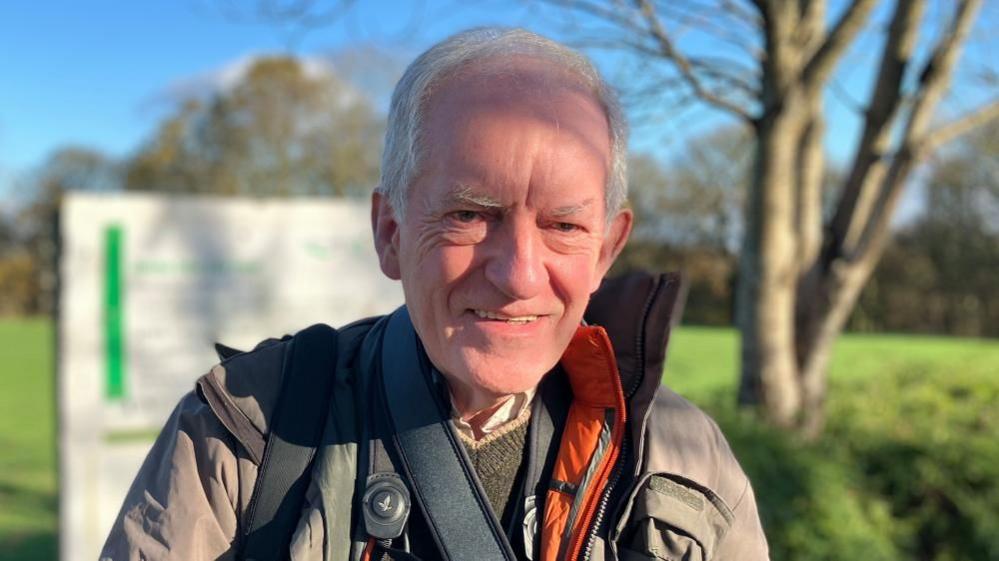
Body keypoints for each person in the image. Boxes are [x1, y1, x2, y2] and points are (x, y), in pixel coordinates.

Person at [101, 27, 769, 561]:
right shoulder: (245, 430)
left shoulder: (682, 461)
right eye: (468, 215)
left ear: (605, 250)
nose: (518, 275)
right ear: (389, 231)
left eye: (563, 225)